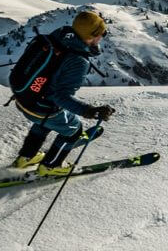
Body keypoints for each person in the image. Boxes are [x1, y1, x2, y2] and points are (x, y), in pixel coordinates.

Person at [9, 10, 117, 176]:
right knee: (74, 130)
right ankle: (51, 166)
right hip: (42, 108)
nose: (103, 36)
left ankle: (26, 158)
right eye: (103, 32)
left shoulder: (56, 38)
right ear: (92, 35)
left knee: (43, 123)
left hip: (23, 99)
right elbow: (59, 97)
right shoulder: (78, 61)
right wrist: (89, 111)